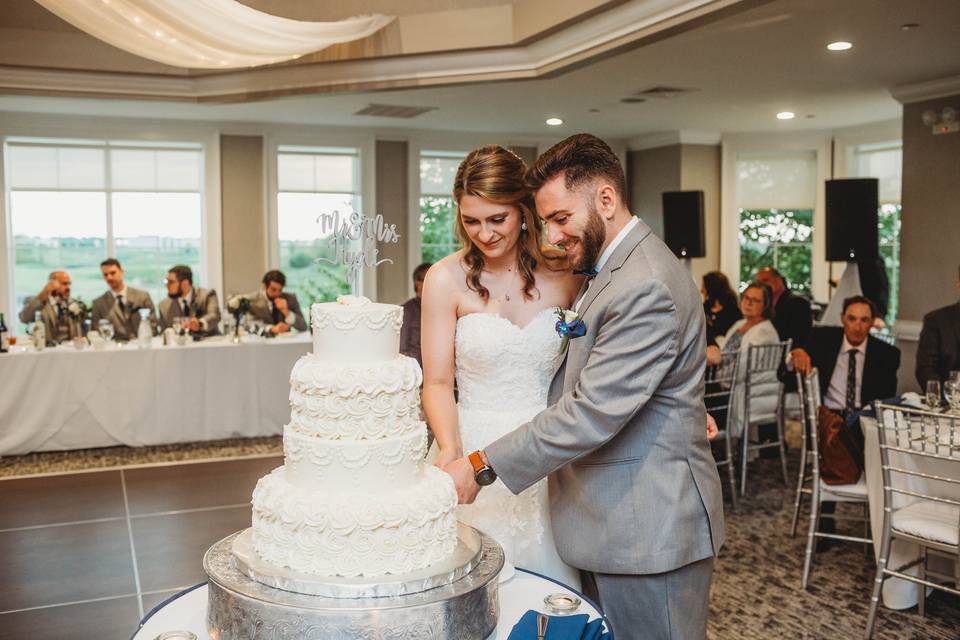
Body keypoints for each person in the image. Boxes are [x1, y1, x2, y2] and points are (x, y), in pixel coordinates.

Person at [440, 134, 724, 639]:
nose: (553, 234)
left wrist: (483, 464)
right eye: (547, 220)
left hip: (648, 527)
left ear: (606, 200)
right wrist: (678, 407)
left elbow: (591, 412)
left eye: (562, 219)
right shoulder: (609, 269)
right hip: (605, 513)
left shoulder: (643, 283)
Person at [421, 145, 582, 587]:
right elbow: (437, 381)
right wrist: (451, 449)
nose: (484, 234)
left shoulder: (567, 273)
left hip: (547, 446)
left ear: (524, 210)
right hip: (469, 442)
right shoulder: (444, 278)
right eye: (471, 221)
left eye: (498, 219)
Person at [792, 295, 900, 547]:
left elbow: (884, 400)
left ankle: (881, 522)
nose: (857, 326)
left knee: (872, 434)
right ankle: (826, 517)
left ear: (872, 322)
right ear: (842, 318)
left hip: (861, 419)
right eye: (851, 319)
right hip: (827, 418)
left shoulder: (887, 354)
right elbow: (782, 373)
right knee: (833, 433)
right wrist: (795, 353)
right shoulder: (822, 340)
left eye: (864, 320)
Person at [706, 282, 781, 439]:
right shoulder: (740, 324)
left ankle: (704, 445)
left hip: (742, 394)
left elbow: (740, 371)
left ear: (765, 305)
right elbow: (724, 351)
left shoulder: (764, 333)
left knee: (698, 398)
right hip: (726, 385)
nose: (748, 302)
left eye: (755, 300)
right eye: (746, 297)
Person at [90, 258, 157, 341]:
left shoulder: (142, 297)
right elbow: (97, 333)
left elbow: (153, 324)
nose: (109, 277)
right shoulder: (98, 303)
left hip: (142, 347)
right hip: (114, 350)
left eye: (112, 273)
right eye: (105, 275)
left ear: (122, 272)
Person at [916, 265, 960, 388]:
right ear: (959, 284)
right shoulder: (936, 320)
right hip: (947, 401)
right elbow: (925, 368)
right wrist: (943, 397)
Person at [18, 270, 80, 345]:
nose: (68, 287)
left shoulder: (74, 303)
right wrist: (45, 292)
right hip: (47, 351)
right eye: (64, 283)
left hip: (71, 351)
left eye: (69, 284)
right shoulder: (38, 302)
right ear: (51, 284)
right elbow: (24, 318)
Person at [756, 266, 812, 349]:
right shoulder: (761, 304)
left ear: (779, 280)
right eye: (758, 282)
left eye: (765, 281)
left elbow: (800, 338)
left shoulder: (797, 303)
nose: (761, 285)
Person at [158, 265, 221, 336]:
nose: (167, 286)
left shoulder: (206, 295)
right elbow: (162, 334)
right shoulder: (164, 306)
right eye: (166, 282)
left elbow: (214, 316)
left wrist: (199, 324)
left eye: (171, 282)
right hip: (179, 345)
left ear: (185, 284)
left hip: (208, 343)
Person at [246, 270, 307, 335]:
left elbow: (303, 326)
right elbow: (249, 323)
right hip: (263, 342)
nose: (277, 294)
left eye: (280, 290)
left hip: (286, 342)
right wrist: (271, 328)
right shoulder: (253, 299)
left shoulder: (291, 299)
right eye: (273, 289)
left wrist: (287, 312)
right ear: (264, 286)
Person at [400, 262, 432, 367]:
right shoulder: (406, 310)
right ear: (418, 285)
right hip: (417, 373)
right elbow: (401, 349)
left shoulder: (446, 308)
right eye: (431, 280)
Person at [702, 270, 741, 345]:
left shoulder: (733, 311)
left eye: (704, 286)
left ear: (712, 288)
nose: (701, 290)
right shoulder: (704, 308)